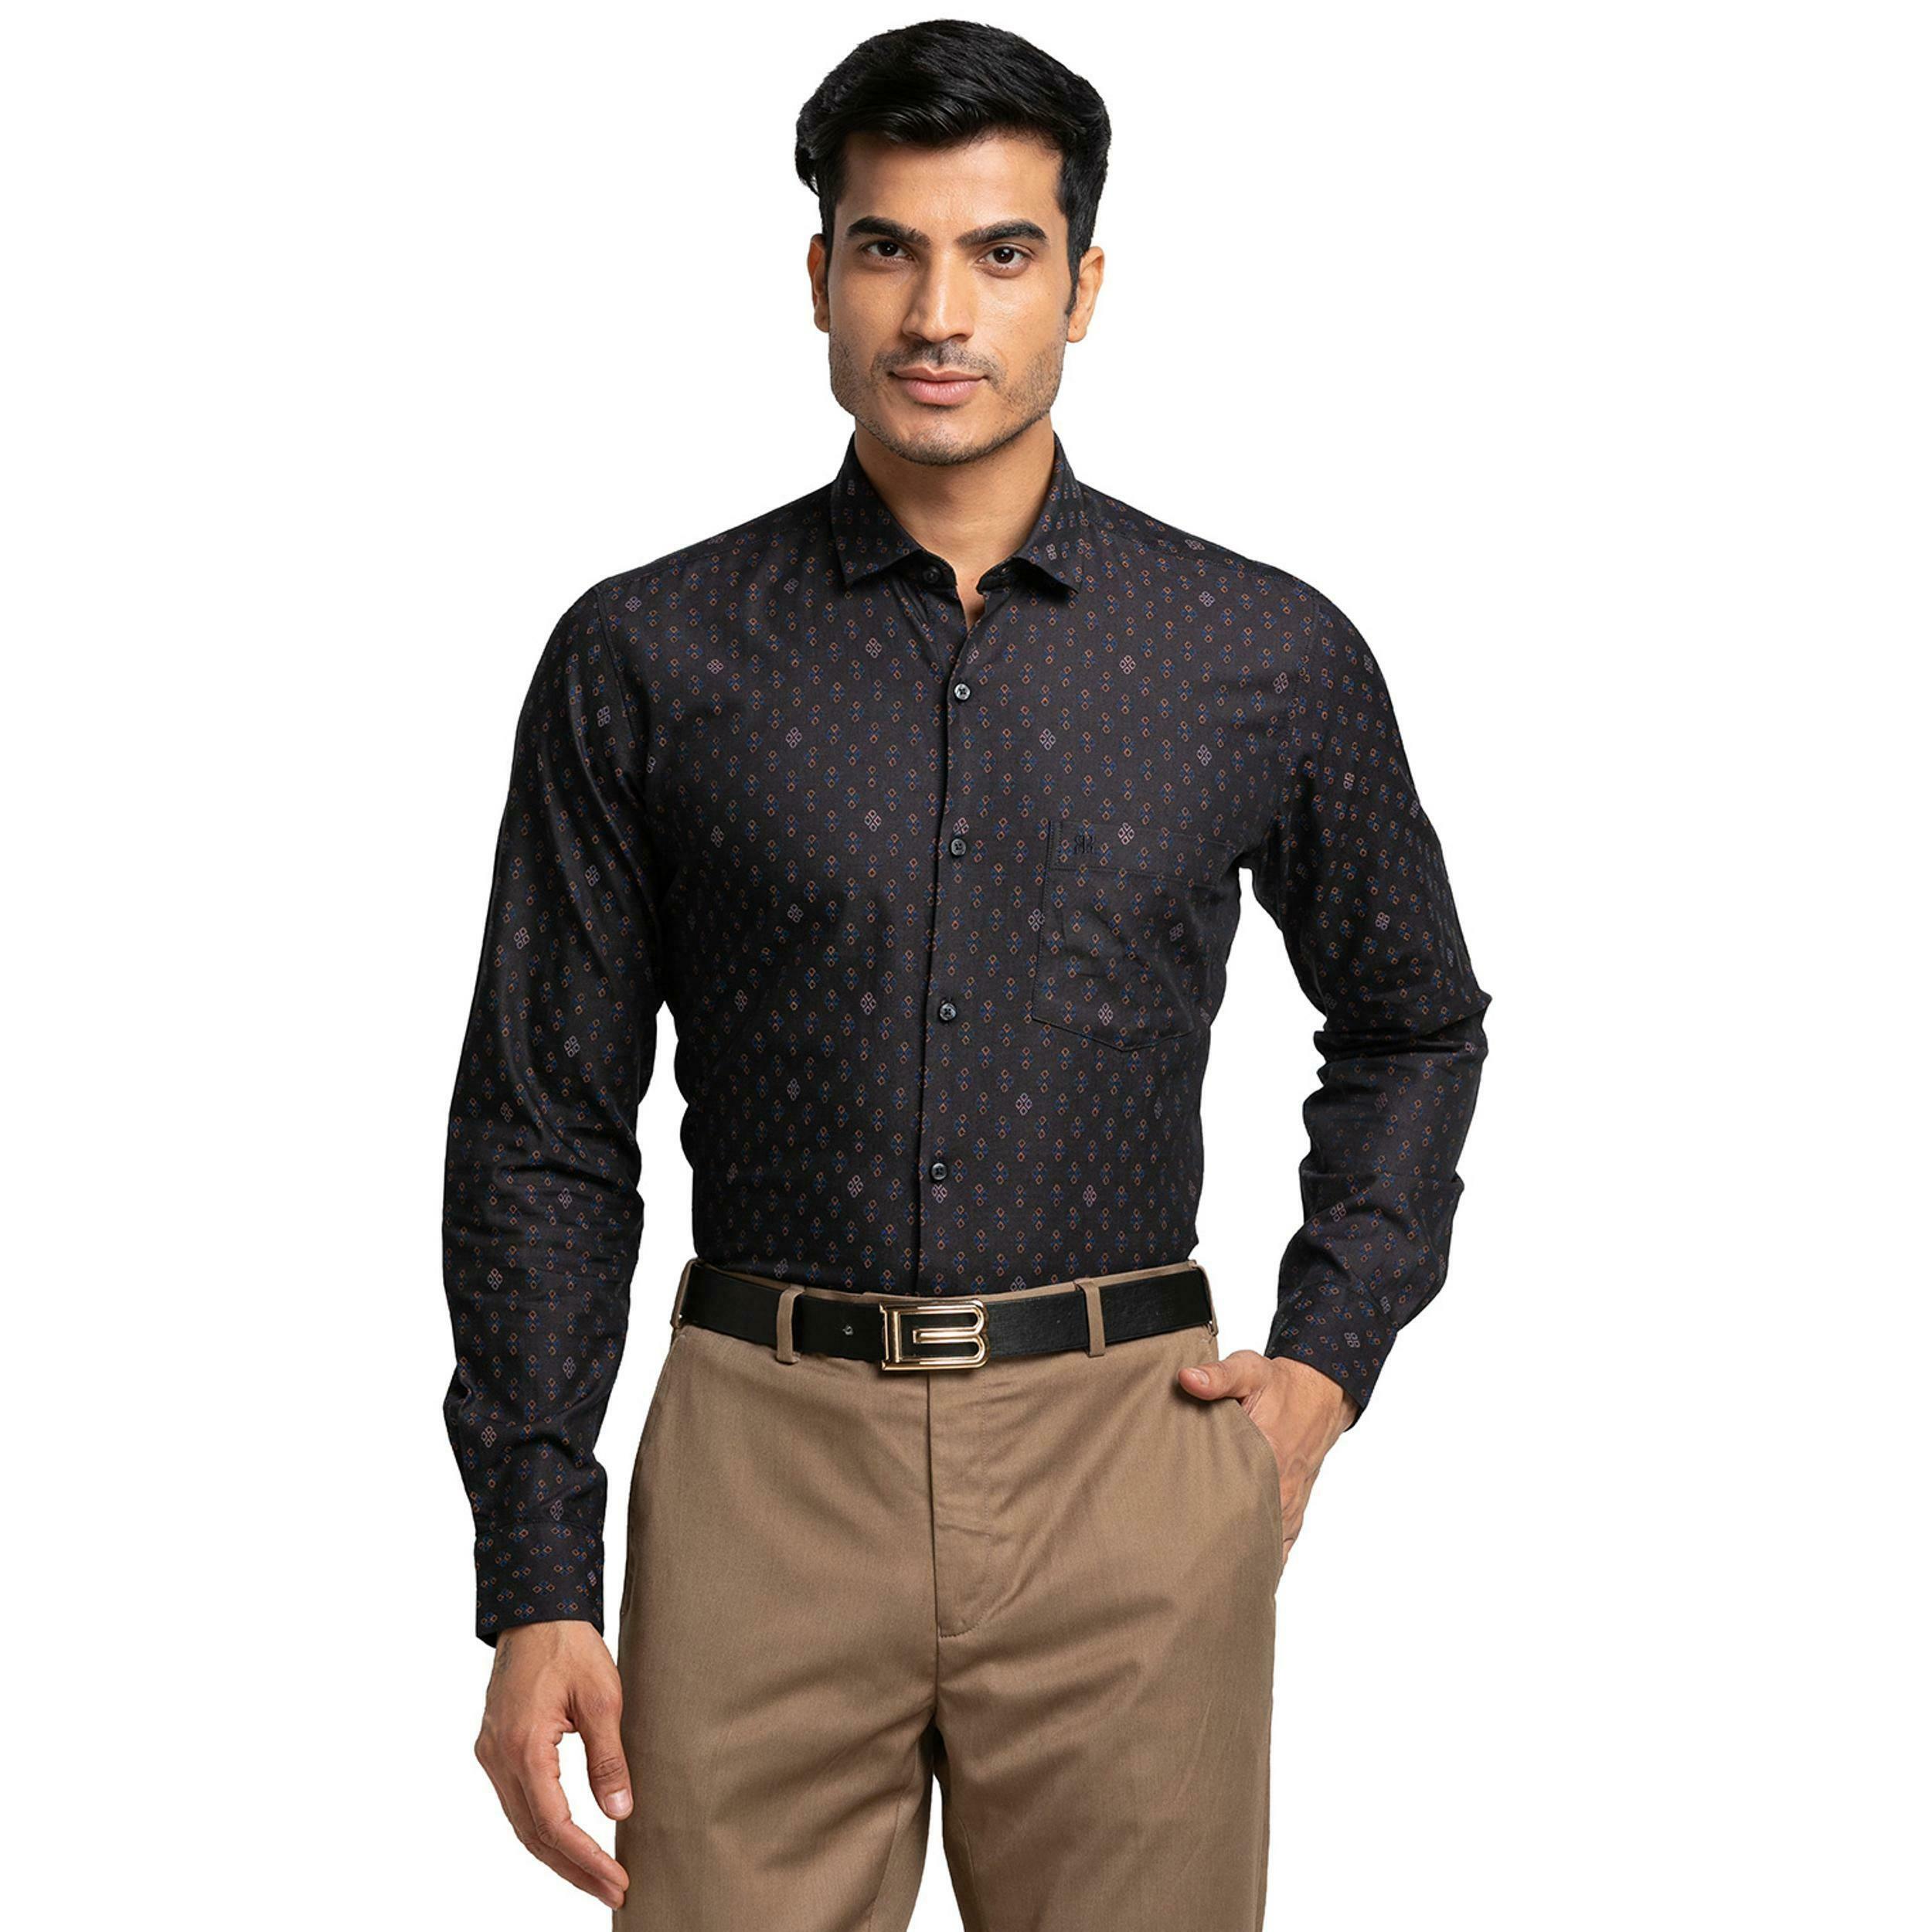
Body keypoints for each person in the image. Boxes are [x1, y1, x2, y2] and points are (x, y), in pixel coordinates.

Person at [440, 19, 1490, 1929]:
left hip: (1130, 1462)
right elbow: (543, 1125)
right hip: (758, 1463)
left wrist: (1323, 1363)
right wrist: (534, 1572)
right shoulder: (647, 654)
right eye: (887, 249)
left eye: (1001, 252)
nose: (939, 313)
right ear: (815, 276)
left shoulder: (1257, 651)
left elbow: (1412, 1017)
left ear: (1081, 286)